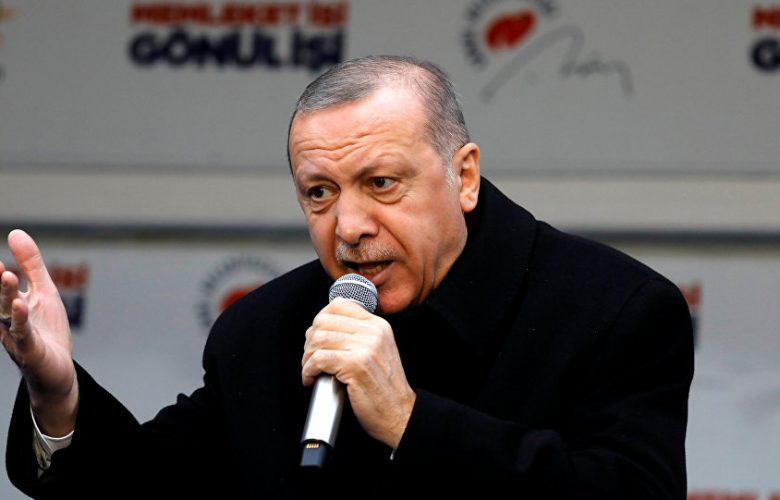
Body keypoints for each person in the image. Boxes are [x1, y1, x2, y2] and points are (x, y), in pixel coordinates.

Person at [0, 55, 694, 499]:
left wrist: (410, 422)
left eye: (381, 183)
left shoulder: (617, 310)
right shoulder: (264, 330)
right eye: (320, 193)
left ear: (464, 177)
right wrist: (57, 394)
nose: (349, 226)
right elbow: (148, 489)